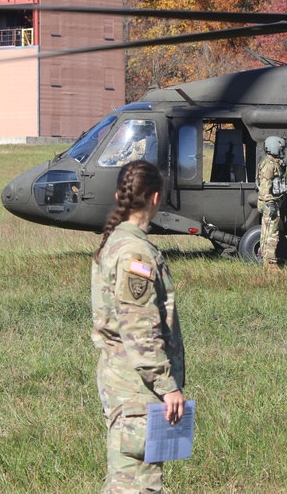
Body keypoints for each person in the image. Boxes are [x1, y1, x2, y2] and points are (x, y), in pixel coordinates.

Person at [91, 160, 186, 493]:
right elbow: (139, 329)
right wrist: (166, 384)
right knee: (138, 483)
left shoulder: (116, 241)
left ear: (120, 195)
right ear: (156, 198)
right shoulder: (135, 253)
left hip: (124, 380)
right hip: (137, 387)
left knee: (126, 477)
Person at [257, 136, 287, 273]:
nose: (283, 151)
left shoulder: (273, 162)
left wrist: (283, 163)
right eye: (281, 148)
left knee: (267, 231)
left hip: (274, 201)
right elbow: (265, 187)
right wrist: (270, 204)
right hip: (270, 202)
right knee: (271, 233)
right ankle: (271, 263)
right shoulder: (269, 165)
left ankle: (266, 261)